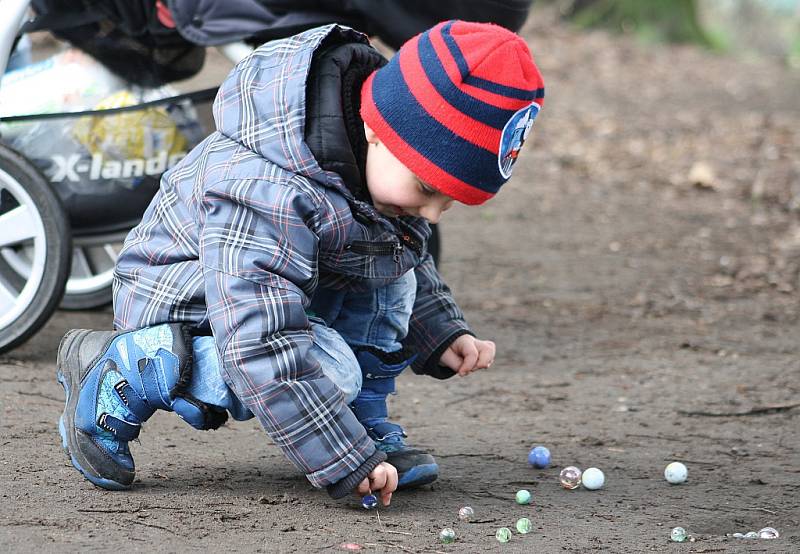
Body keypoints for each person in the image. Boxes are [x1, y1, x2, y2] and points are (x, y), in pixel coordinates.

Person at [56, 20, 545, 505]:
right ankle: (124, 369)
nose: (434, 212)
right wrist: (342, 461)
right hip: (187, 302)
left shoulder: (368, 162)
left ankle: (360, 425)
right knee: (332, 371)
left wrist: (440, 331)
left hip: (278, 292)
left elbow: (403, 255)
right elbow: (260, 342)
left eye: (452, 201)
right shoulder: (268, 186)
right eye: (427, 190)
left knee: (389, 270)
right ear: (378, 130)